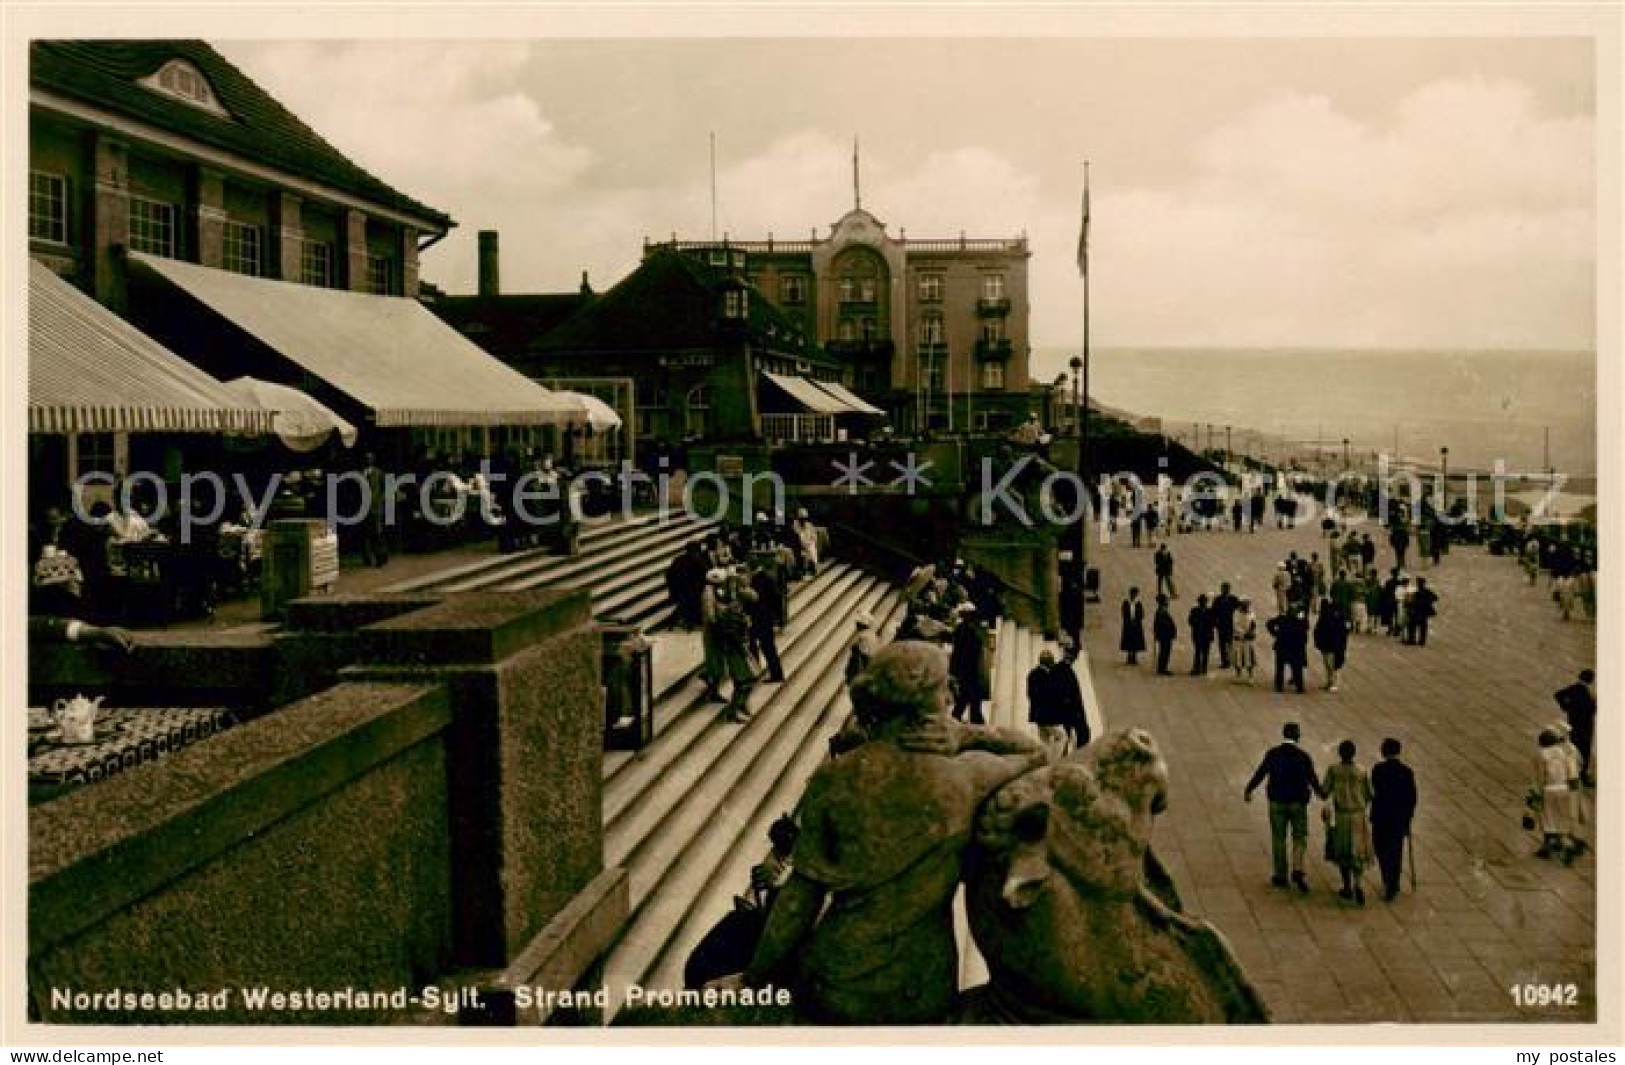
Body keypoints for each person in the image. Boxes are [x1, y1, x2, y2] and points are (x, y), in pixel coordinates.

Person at [744, 642, 1045, 1023]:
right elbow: (1036, 753)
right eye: (942, 686)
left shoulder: (834, 779)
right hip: (920, 985)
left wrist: (755, 979)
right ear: (925, 703)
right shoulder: (967, 776)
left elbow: (798, 899)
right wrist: (968, 734)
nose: (950, 692)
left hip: (838, 975)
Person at [1243, 722, 1325, 892]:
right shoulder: (1303, 756)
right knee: (1299, 837)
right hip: (1297, 803)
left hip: (1277, 801)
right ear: (1297, 736)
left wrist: (1249, 789)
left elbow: (1261, 772)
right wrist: (1320, 793)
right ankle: (1298, 868)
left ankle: (1280, 875)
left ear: (1283, 734)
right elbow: (1312, 778)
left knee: (1278, 838)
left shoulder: (1273, 754)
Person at [1321, 740, 1374, 904]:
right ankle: (1358, 883)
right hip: (1358, 816)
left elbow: (1324, 792)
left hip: (1342, 816)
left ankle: (1347, 886)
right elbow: (1369, 794)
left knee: (1342, 852)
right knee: (1358, 852)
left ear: (1340, 753)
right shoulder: (1362, 771)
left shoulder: (1334, 770)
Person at [1369, 738, 1417, 901]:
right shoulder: (1406, 772)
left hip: (1381, 817)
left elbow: (1373, 789)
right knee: (1395, 851)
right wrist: (1408, 818)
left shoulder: (1378, 769)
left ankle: (1387, 879)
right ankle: (1393, 882)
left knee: (1380, 847)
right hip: (1398, 819)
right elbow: (1412, 798)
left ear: (1384, 752)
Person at [1026, 648, 1090, 757]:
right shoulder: (1050, 674)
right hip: (1047, 716)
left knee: (1046, 740)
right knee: (1061, 737)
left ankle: (1048, 758)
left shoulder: (1033, 674)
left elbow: (1031, 695)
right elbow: (1046, 696)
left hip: (1040, 716)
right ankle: (1054, 760)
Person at [1533, 728, 1582, 863]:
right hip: (1564, 788)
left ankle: (1547, 846)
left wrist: (1537, 791)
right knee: (1560, 816)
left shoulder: (1541, 755)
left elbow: (1540, 776)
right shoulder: (1562, 752)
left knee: (1548, 817)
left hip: (1549, 789)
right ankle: (1561, 843)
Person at [1554, 670, 1597, 785]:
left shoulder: (1573, 688)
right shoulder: (1588, 693)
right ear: (1591, 680)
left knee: (1574, 746)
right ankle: (1582, 774)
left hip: (1573, 723)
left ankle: (1572, 772)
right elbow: (1592, 708)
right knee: (1585, 749)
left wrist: (1566, 707)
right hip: (1586, 726)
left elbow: (1558, 694)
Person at [948, 603, 987, 724]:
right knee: (972, 696)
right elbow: (960, 651)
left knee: (965, 696)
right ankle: (976, 719)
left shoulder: (968, 628)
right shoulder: (966, 630)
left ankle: (960, 716)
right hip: (969, 669)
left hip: (969, 669)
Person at [1266, 606, 1309, 694]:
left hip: (1282, 646)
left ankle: (1279, 686)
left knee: (1280, 668)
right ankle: (1299, 687)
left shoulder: (1283, 618)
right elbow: (1306, 628)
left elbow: (1270, 623)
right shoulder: (1300, 620)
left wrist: (1275, 633)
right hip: (1296, 647)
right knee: (1297, 668)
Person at [1313, 597, 1349, 692]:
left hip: (1330, 644)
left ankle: (1333, 683)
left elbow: (1318, 630)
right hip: (1332, 644)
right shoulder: (1337, 618)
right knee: (1330, 664)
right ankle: (1330, 682)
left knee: (1331, 664)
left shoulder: (1328, 617)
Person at [845, 613, 880, 684]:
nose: (856, 625)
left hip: (864, 662)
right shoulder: (874, 635)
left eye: (858, 623)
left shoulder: (862, 635)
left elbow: (855, 648)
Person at [1211, 582, 1238, 671]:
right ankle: (1224, 661)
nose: (1225, 591)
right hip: (1221, 625)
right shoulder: (1217, 599)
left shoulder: (1233, 599)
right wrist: (1215, 623)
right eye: (1224, 589)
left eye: (1226, 589)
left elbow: (1238, 610)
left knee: (1230, 643)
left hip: (1230, 625)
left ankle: (1230, 659)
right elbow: (1213, 612)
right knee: (1222, 644)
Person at [1232, 598, 1259, 683]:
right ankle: (1238, 675)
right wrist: (1244, 633)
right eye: (1244, 605)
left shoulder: (1251, 614)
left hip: (1248, 640)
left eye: (1247, 605)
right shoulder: (1236, 614)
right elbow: (1235, 625)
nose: (1246, 607)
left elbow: (1254, 624)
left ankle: (1250, 676)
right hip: (1239, 639)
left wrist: (1252, 632)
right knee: (1238, 658)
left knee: (1249, 658)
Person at [1405, 577, 1438, 646]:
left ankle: (1412, 640)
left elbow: (1412, 602)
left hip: (1417, 612)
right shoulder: (1427, 592)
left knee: (1412, 626)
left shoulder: (1416, 593)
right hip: (1423, 612)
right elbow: (1435, 598)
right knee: (1422, 627)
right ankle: (1421, 641)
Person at [1119, 586, 1147, 665]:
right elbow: (1124, 613)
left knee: (1135, 641)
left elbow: (1142, 614)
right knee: (1128, 640)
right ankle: (1129, 657)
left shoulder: (1138, 603)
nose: (1133, 595)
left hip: (1136, 624)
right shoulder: (1126, 602)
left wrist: (1136, 620)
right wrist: (1128, 620)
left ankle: (1134, 657)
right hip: (1128, 624)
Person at [1188, 594, 1214, 676]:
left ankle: (1203, 668)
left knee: (1205, 652)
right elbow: (1190, 621)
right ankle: (1197, 668)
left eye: (1204, 601)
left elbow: (1214, 622)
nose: (1202, 603)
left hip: (1206, 635)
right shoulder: (1194, 610)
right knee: (1198, 652)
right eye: (1201, 601)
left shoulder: (1210, 611)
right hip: (1198, 634)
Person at [1152, 593, 1177, 676]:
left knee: (1165, 652)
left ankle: (1163, 667)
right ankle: (1162, 668)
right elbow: (1158, 625)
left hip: (1166, 635)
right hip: (1164, 636)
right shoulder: (1160, 612)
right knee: (1164, 652)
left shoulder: (1161, 611)